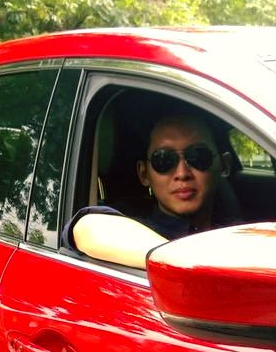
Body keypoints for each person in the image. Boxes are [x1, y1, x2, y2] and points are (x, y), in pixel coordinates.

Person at [63, 110, 232, 267]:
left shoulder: (235, 229)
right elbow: (86, 228)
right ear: (144, 174)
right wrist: (195, 263)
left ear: (224, 165)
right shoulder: (134, 231)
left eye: (198, 156)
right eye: (163, 160)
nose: (182, 173)